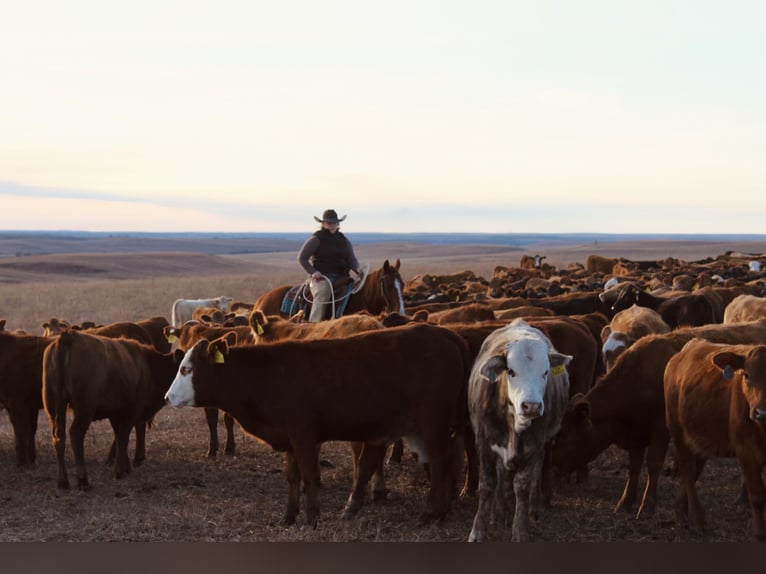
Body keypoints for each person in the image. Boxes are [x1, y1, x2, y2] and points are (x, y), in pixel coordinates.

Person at [297, 209, 363, 322]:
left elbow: (351, 259)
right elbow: (302, 258)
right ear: (323, 224)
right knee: (323, 292)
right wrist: (313, 272)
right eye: (328, 223)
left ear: (338, 224)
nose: (332, 225)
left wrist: (358, 269)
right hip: (322, 277)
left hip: (342, 277)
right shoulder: (316, 239)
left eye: (334, 223)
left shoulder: (344, 240)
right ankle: (313, 325)